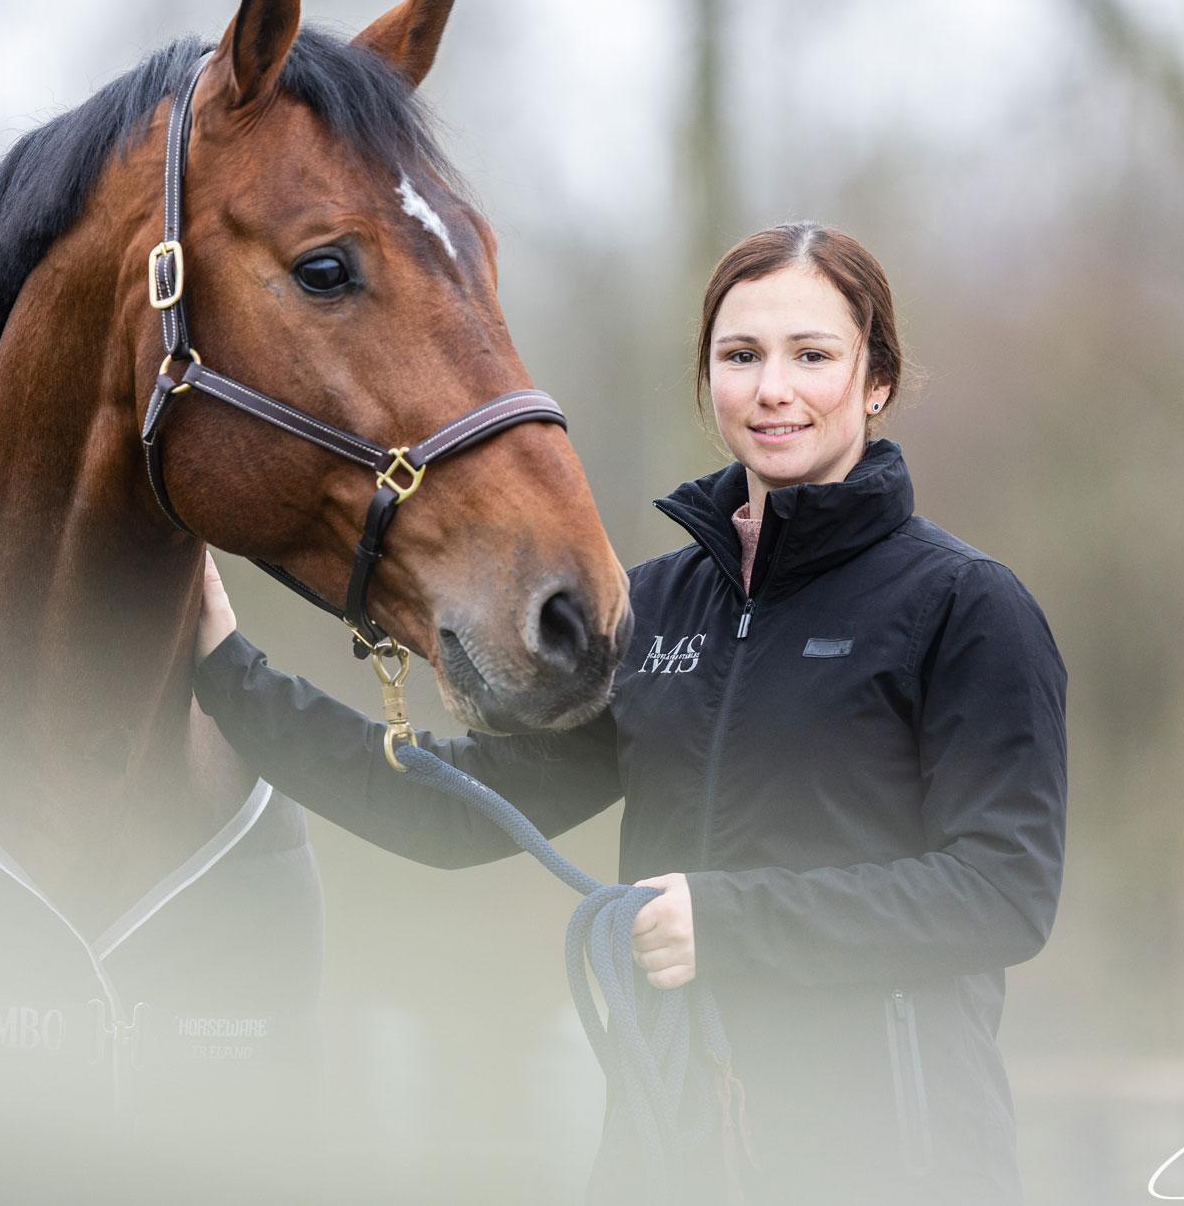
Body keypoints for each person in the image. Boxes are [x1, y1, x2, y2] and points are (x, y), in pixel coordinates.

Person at [191, 221, 1068, 1205]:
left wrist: (729, 926)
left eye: (811, 355)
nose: (772, 387)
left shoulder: (965, 608)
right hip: (671, 1154)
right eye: (740, 356)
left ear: (875, 383)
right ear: (708, 385)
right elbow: (454, 808)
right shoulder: (648, 608)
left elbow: (1001, 892)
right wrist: (228, 673)